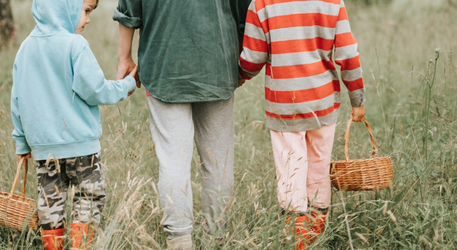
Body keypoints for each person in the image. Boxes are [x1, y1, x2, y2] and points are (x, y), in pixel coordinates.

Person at [113, 1, 250, 249]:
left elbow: (129, 10)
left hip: (163, 67)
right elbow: (245, 11)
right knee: (218, 160)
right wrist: (239, 60)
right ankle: (217, 237)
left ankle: (179, 240)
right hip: (218, 65)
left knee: (173, 159)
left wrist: (125, 58)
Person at [238, 0, 367, 248]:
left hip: (284, 104)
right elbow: (348, 53)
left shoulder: (262, 3)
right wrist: (357, 100)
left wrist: (241, 74)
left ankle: (298, 243)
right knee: (319, 169)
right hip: (323, 102)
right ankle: (316, 238)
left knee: (290, 173)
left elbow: (253, 58)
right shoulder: (332, 2)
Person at [10, 0, 138, 249]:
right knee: (88, 201)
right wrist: (126, 85)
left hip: (44, 152)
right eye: (86, 10)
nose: (88, 19)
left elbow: (17, 99)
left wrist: (21, 141)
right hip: (83, 151)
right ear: (64, 5)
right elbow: (96, 90)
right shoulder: (74, 45)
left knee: (50, 205)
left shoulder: (25, 48)